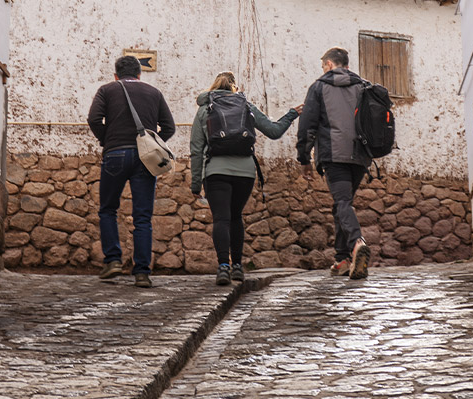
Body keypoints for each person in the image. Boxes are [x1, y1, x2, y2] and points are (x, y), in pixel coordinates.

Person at [190, 72, 300, 285]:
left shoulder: (205, 109)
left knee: (221, 218)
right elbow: (274, 131)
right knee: (235, 216)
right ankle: (238, 267)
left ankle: (223, 267)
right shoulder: (246, 106)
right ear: (234, 88)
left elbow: (196, 149)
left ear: (213, 87)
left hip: (216, 171)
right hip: (245, 172)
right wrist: (291, 114)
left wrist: (196, 183)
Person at [87, 55, 175, 288]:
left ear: (116, 75)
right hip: (145, 159)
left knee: (108, 209)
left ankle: (113, 260)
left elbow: (94, 118)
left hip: (115, 154)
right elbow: (169, 127)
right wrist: (153, 144)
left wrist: (108, 139)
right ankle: (142, 272)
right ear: (139, 74)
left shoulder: (107, 90)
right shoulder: (154, 93)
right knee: (142, 216)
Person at [297, 47, 372, 280]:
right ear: (346, 65)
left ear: (329, 64)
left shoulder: (319, 87)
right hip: (360, 156)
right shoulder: (364, 87)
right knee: (343, 204)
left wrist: (304, 158)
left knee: (341, 201)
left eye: (323, 65)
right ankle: (341, 259)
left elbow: (307, 125)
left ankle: (357, 243)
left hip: (333, 155)